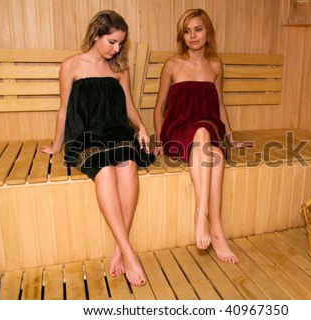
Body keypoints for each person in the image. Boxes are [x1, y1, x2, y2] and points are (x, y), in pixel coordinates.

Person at [41, 10, 154, 286]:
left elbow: (127, 104)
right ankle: (129, 252)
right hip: (86, 135)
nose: (116, 49)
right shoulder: (72, 65)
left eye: (120, 44)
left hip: (116, 131)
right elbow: (64, 109)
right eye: (111, 42)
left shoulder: (119, 67)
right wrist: (57, 145)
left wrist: (142, 128)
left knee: (127, 168)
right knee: (104, 170)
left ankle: (119, 249)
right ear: (96, 35)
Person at [153, 8, 252, 264]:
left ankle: (213, 226)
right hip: (178, 129)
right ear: (181, 36)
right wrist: (160, 142)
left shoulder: (216, 65)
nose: (192, 35)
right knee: (211, 150)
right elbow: (159, 107)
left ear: (208, 31)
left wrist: (230, 138)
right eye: (187, 31)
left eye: (198, 29)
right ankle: (206, 218)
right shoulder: (172, 65)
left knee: (215, 149)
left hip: (208, 128)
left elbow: (219, 105)